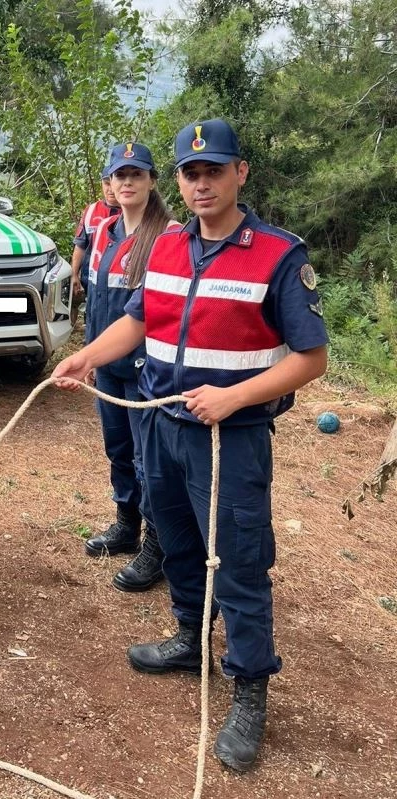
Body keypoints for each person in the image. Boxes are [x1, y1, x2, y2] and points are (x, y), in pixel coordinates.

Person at [53, 118, 328, 772]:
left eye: (214, 170)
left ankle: (250, 685)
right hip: (162, 425)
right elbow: (140, 319)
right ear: (177, 179)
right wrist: (86, 357)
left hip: (230, 439)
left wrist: (234, 397)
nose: (201, 182)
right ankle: (188, 638)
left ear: (241, 173)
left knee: (236, 561)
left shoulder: (279, 255)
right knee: (175, 542)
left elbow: (311, 358)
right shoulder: (171, 245)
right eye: (190, 172)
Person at [80, 142, 179, 596]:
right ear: (109, 184)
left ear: (152, 181)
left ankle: (158, 547)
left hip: (145, 374)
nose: (126, 183)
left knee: (149, 462)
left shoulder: (169, 235)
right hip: (108, 369)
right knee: (118, 452)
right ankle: (126, 526)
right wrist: (88, 356)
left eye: (135, 174)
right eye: (119, 176)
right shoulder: (103, 231)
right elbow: (96, 302)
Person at [70, 170, 121, 323]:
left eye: (113, 184)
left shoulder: (132, 212)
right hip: (91, 280)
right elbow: (80, 245)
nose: (110, 189)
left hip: (119, 283)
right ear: (102, 184)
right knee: (92, 318)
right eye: (106, 184)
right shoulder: (91, 211)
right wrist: (74, 274)